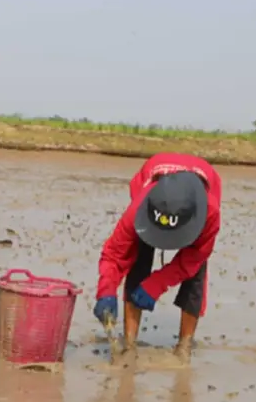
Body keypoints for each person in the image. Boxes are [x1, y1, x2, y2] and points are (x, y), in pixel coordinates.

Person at [92, 153, 222, 363]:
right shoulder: (137, 210)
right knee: (138, 259)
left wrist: (156, 284)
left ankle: (184, 346)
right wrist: (106, 291)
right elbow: (114, 254)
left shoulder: (210, 212)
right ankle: (130, 344)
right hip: (151, 196)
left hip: (199, 206)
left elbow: (195, 256)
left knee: (196, 273)